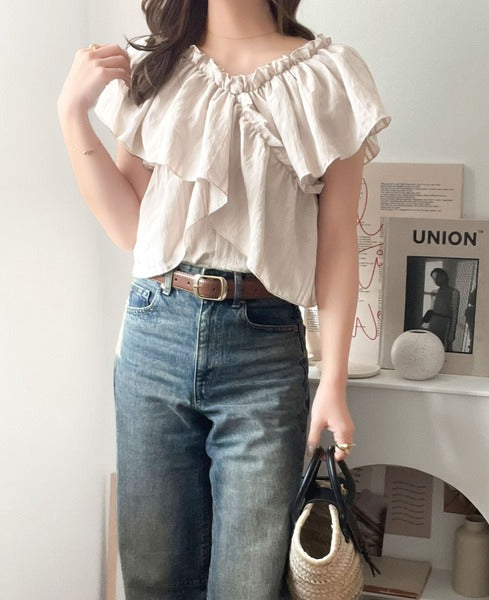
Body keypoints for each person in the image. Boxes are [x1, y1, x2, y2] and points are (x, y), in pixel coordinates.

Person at [56, 1, 391, 597]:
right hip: (154, 335)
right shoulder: (157, 67)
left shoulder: (329, 75)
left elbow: (338, 242)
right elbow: (132, 230)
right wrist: (72, 116)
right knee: (154, 576)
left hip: (263, 349)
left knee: (248, 583)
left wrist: (334, 383)